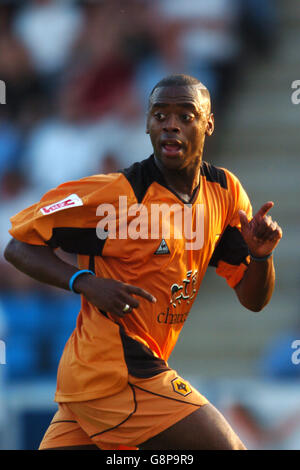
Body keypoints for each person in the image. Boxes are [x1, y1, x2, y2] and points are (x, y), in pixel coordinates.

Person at [4, 74, 282, 450]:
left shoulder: (225, 193)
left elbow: (254, 300)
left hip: (96, 381)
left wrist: (261, 257)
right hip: (116, 373)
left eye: (186, 115)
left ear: (209, 124)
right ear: (147, 123)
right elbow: (18, 246)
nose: (171, 124)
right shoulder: (115, 196)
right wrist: (86, 281)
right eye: (160, 114)